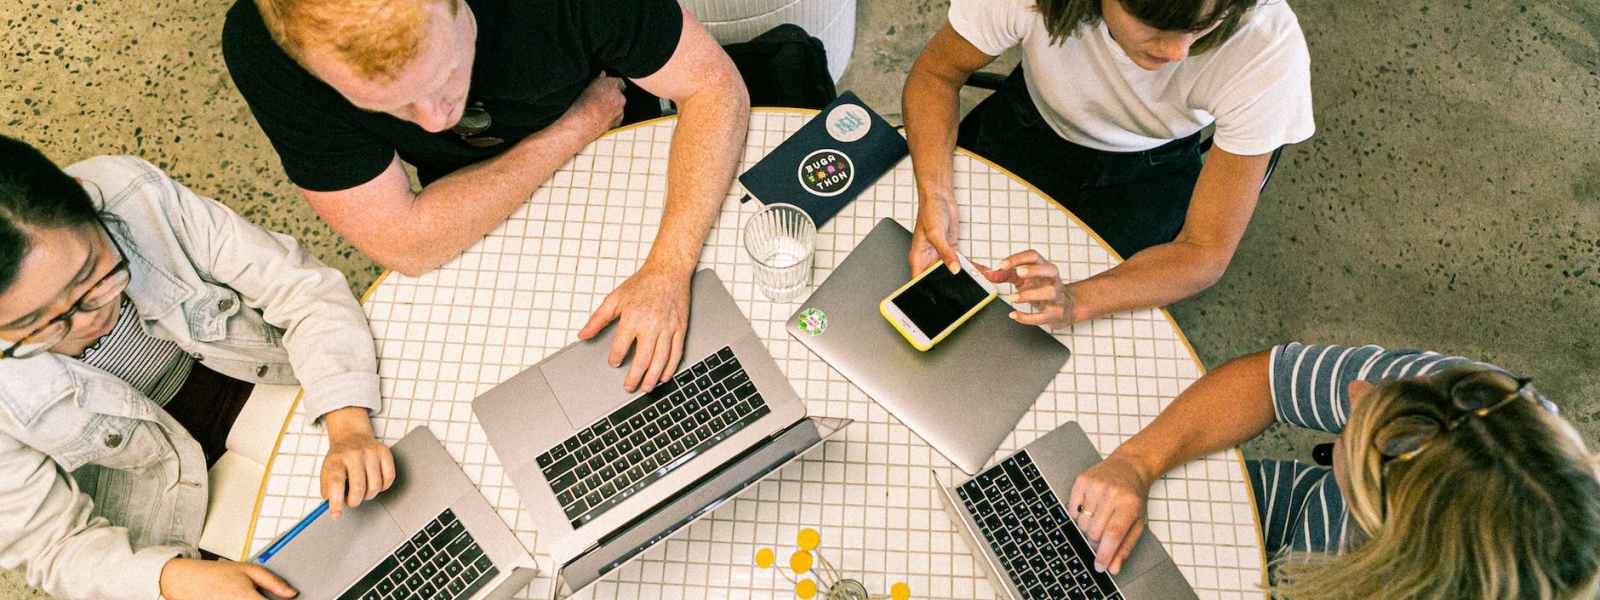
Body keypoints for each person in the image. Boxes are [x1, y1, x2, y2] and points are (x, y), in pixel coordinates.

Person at [222, 0, 751, 393]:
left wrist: (667, 268)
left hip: (635, 141)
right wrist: (572, 129)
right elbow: (406, 244)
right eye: (393, 106)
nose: (438, 119)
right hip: (494, 196)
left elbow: (712, 88)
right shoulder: (263, 48)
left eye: (447, 73)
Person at [0, 135, 396, 600]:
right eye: (35, 326)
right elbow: (49, 545)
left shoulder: (132, 194)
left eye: (91, 280)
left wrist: (346, 420)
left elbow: (300, 289)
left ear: (85, 198)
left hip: (262, 380)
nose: (88, 324)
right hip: (157, 507)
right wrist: (168, 578)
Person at [1067, 342, 1600, 599]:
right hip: (1284, 512)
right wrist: (1137, 463)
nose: (1355, 392)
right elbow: (1272, 379)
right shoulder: (1469, 404)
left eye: (1364, 431)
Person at [903, 0, 1314, 328]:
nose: (1177, 51)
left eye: (1201, 25)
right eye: (1150, 19)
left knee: (1065, 331)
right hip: (1025, 122)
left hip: (1150, 170)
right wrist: (935, 192)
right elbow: (936, 75)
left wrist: (1075, 301)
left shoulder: (1266, 44)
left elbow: (1205, 251)